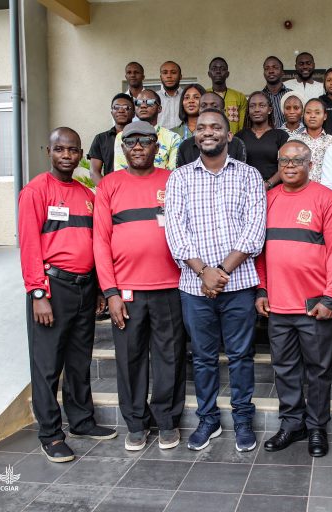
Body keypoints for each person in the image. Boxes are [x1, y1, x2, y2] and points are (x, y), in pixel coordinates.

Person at [164, 108, 266, 452]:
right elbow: (175, 232)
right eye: (202, 127)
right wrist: (202, 271)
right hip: (194, 288)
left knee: (241, 356)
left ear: (228, 134)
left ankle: (242, 421)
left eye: (216, 127)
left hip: (238, 286)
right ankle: (208, 420)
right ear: (195, 135)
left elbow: (255, 230)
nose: (209, 132)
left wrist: (219, 272)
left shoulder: (250, 176)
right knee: (203, 358)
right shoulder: (179, 179)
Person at [18, 127, 117, 463]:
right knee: (48, 365)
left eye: (73, 150)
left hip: (85, 287)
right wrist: (37, 293)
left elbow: (97, 244)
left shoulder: (86, 194)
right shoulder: (35, 191)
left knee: (78, 360)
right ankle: (50, 433)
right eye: (60, 149)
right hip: (52, 288)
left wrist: (101, 288)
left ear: (80, 155)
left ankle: (82, 421)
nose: (67, 155)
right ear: (49, 151)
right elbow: (30, 245)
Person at [94, 121, 187, 452]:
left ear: (155, 147)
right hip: (127, 292)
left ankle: (166, 421)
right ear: (122, 149)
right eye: (130, 142)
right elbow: (100, 243)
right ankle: (135, 423)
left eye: (145, 141)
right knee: (129, 358)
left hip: (171, 287)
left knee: (170, 357)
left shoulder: (173, 180)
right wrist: (111, 292)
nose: (137, 147)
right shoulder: (108, 185)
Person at [256, 140, 332, 457]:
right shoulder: (267, 200)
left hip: (314, 306)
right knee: (284, 368)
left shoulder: (327, 199)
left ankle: (317, 426)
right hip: (278, 306)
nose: (290, 165)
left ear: (310, 164)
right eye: (284, 160)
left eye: (298, 160)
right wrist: (263, 289)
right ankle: (292, 424)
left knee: (318, 370)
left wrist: (331, 297)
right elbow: (261, 253)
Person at [113, 89, 181, 171]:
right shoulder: (122, 136)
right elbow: (120, 172)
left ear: (159, 108)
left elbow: (173, 173)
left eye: (149, 102)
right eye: (138, 103)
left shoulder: (173, 138)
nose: (143, 106)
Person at [175, 92, 247, 167]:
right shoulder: (185, 146)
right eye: (203, 106)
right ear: (199, 110)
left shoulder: (237, 144)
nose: (209, 109)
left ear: (223, 111)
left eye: (214, 106)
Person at [235, 91, 289, 188]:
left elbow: (285, 165)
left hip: (275, 190)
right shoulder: (239, 136)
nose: (256, 110)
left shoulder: (281, 136)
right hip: (246, 189)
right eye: (252, 106)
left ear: (269, 110)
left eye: (262, 105)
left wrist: (268, 184)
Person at [289, 98, 332, 183]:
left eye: (317, 113)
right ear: (303, 115)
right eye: (308, 112)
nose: (312, 116)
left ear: (325, 116)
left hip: (326, 190)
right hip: (299, 189)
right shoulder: (293, 141)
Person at [88, 93, 134, 184]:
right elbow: (94, 172)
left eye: (126, 107)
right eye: (116, 107)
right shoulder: (101, 139)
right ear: (111, 112)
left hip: (137, 190)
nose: (121, 110)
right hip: (111, 190)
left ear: (133, 113)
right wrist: (107, 191)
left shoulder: (142, 137)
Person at [207, 56, 247, 134]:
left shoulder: (239, 97)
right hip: (208, 141)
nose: (218, 71)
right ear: (209, 74)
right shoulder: (203, 95)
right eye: (214, 68)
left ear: (227, 74)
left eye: (222, 68)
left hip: (234, 142)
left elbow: (243, 127)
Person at [262, 55, 291, 128]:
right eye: (267, 68)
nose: (271, 71)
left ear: (282, 73)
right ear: (264, 74)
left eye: (275, 67)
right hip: (268, 138)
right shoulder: (260, 97)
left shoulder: (291, 95)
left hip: (290, 138)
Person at [156, 60, 184, 129]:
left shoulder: (187, 96)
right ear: (160, 77)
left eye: (173, 73)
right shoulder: (153, 98)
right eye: (165, 73)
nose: (169, 76)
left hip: (185, 138)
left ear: (180, 77)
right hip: (160, 138)